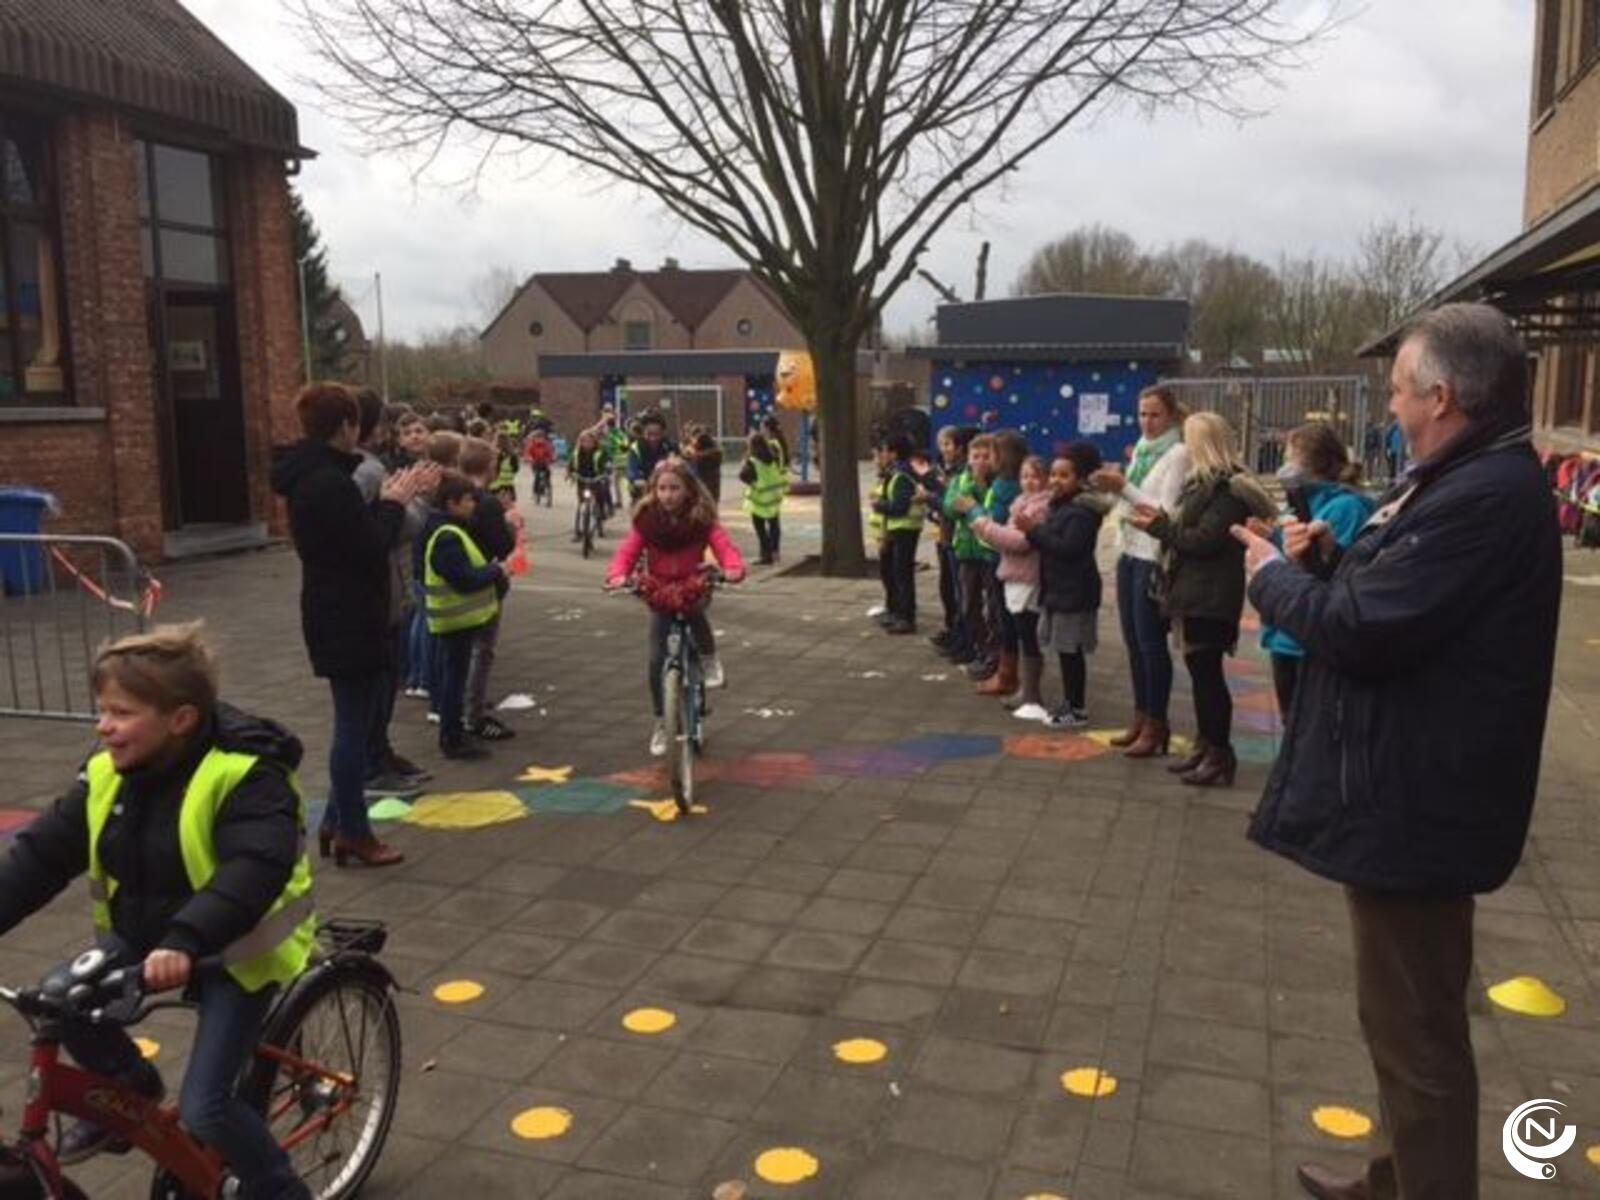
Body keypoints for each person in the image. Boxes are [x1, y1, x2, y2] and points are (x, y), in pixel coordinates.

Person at [1234, 304, 1561, 1200]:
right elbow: (1401, 604)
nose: (1392, 407)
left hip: (1420, 805)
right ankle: (1392, 1177)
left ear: (1443, 397)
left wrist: (1274, 577)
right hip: (1411, 792)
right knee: (1401, 1022)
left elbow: (1362, 632)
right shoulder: (1465, 479)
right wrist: (1336, 555)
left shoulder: (1483, 496)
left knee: (1417, 1037)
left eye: (1398, 391)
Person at [0, 625, 316, 1196]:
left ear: (181, 719)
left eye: (121, 712)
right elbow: (43, 856)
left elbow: (255, 868)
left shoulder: (248, 773)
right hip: (150, 938)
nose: (103, 727)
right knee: (57, 999)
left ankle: (280, 1187)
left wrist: (186, 939)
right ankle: (129, 1086)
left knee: (206, 1107)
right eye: (102, 710)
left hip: (238, 949)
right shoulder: (106, 776)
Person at [270, 383, 427, 868]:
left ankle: (339, 820)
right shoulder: (327, 484)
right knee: (352, 727)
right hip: (347, 613)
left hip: (342, 609)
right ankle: (354, 832)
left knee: (359, 720)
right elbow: (370, 542)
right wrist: (395, 502)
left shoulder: (315, 477)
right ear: (345, 427)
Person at [1128, 411, 1275, 786]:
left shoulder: (1225, 489)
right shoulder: (1203, 485)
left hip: (1210, 593)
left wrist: (1159, 527)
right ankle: (1206, 745)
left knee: (1208, 677)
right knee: (1199, 674)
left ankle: (1220, 753)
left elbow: (1205, 540)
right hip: (1195, 591)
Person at [606, 459, 747, 756]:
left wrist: (733, 567)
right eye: (662, 488)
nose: (667, 495)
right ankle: (661, 720)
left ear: (688, 490)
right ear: (653, 490)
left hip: (693, 584)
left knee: (696, 611)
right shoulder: (646, 521)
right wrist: (619, 574)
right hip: (659, 590)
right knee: (656, 658)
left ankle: (708, 659)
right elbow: (627, 551)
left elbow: (724, 547)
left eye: (674, 488)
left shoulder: (701, 519)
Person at [1090, 384, 1191, 759]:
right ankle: (1140, 715)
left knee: (1151, 644)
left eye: (1155, 415)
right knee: (1133, 643)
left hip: (1153, 555)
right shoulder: (1144, 449)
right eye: (1143, 414)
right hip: (1128, 551)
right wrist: (1108, 489)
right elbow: (1128, 498)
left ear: (1171, 415)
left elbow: (1163, 510)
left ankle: (1157, 723)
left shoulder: (1179, 453)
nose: (1147, 422)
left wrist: (1125, 487)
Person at [1259, 421, 1376, 717]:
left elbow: (1339, 572)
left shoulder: (1346, 507)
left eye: (1289, 459)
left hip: (1309, 638)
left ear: (1312, 464)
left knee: (1309, 722)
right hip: (1286, 632)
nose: (1283, 468)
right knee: (1292, 721)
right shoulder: (1300, 503)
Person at [349, 388, 432, 799]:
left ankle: (380, 754)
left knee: (386, 681)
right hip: (380, 590)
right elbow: (392, 527)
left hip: (390, 589)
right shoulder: (366, 472)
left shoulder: (369, 468)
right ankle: (371, 764)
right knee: (376, 688)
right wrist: (413, 499)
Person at [1015, 445, 1107, 727]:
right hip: (1059, 589)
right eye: (1053, 474)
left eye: (1064, 475)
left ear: (1080, 480)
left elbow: (1067, 549)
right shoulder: (1062, 506)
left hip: (1074, 592)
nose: (1055, 480)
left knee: (1070, 650)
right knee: (1064, 649)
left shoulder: (1079, 513)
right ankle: (1071, 702)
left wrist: (1033, 530)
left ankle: (1076, 707)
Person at [422, 472, 508, 760]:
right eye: (469, 500)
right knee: (453, 679)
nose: (474, 505)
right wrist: (495, 571)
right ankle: (452, 736)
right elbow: (465, 578)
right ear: (452, 503)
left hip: (458, 620)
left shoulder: (450, 529)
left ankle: (455, 731)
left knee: (454, 676)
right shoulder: (447, 536)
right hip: (455, 620)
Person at [969, 454, 1052, 718]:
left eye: (1036, 476)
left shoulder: (1040, 507)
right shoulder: (1021, 502)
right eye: (1026, 477)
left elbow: (1020, 542)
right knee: (1019, 631)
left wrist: (986, 528)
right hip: (1014, 574)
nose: (1030, 482)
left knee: (1028, 634)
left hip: (1027, 576)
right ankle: (1026, 691)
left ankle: (1031, 694)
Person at [955, 430, 1025, 694]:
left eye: (991, 454)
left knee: (1002, 616)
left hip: (999, 557)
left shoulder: (1006, 485)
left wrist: (973, 510)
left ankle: (1005, 672)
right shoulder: (1002, 482)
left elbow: (993, 521)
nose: (987, 460)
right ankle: (1002, 669)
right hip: (990, 554)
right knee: (997, 613)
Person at [457, 438, 518, 742]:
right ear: (490, 466)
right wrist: (509, 523)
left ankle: (458, 706)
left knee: (458, 651)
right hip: (486, 581)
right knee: (483, 649)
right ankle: (473, 715)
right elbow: (502, 546)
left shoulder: (451, 495)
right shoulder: (488, 502)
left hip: (455, 584)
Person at [945, 432, 996, 674]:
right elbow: (951, 508)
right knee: (968, 605)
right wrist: (964, 499)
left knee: (994, 606)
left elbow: (990, 512)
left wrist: (978, 490)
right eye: (976, 456)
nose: (981, 461)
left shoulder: (997, 484)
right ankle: (980, 648)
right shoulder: (960, 480)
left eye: (987, 456)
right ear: (968, 458)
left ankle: (995, 653)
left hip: (989, 554)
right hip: (966, 551)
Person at [869, 432, 925, 635]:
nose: (880, 455)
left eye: (883, 451)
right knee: (893, 571)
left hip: (905, 529)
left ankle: (906, 617)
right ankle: (896, 612)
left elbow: (900, 506)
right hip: (896, 529)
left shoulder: (901, 475)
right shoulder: (894, 472)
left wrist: (879, 505)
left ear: (893, 453)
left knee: (902, 573)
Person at [928, 427, 974, 660]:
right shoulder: (947, 471)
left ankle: (966, 640)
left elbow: (952, 505)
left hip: (961, 539)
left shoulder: (964, 475)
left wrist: (932, 498)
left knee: (962, 592)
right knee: (949, 586)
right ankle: (954, 631)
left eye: (948, 444)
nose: (943, 449)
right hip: (946, 534)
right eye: (941, 444)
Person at [741, 431, 787, 565]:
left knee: (760, 528)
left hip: (759, 499)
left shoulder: (752, 461)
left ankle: (766, 555)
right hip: (773, 497)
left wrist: (753, 483)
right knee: (774, 525)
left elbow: (743, 476)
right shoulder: (773, 457)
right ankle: (775, 551)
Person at [569, 426, 613, 537]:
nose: (587, 444)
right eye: (584, 441)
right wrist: (571, 473)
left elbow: (607, 463)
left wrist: (606, 471)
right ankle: (578, 529)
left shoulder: (600, 453)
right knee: (581, 503)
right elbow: (571, 465)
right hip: (582, 480)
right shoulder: (576, 453)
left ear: (594, 442)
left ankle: (601, 514)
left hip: (596, 479)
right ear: (580, 442)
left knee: (600, 495)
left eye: (590, 441)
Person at [626, 412, 675, 503]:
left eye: (657, 434)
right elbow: (632, 471)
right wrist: (638, 480)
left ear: (663, 432)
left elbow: (683, 467)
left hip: (667, 491)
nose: (653, 438)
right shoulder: (635, 448)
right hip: (643, 492)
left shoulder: (671, 446)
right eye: (649, 434)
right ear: (643, 432)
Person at [683, 424, 725, 504]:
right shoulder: (715, 453)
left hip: (702, 490)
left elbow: (688, 455)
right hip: (712, 490)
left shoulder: (699, 457)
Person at [524, 427, 555, 502]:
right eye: (538, 438)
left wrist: (552, 458)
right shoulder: (532, 445)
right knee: (537, 476)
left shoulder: (547, 445)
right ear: (534, 439)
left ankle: (547, 488)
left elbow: (551, 453)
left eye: (541, 438)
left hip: (545, 463)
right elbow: (527, 454)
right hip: (536, 464)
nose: (540, 440)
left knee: (548, 474)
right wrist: (529, 458)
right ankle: (535, 492)